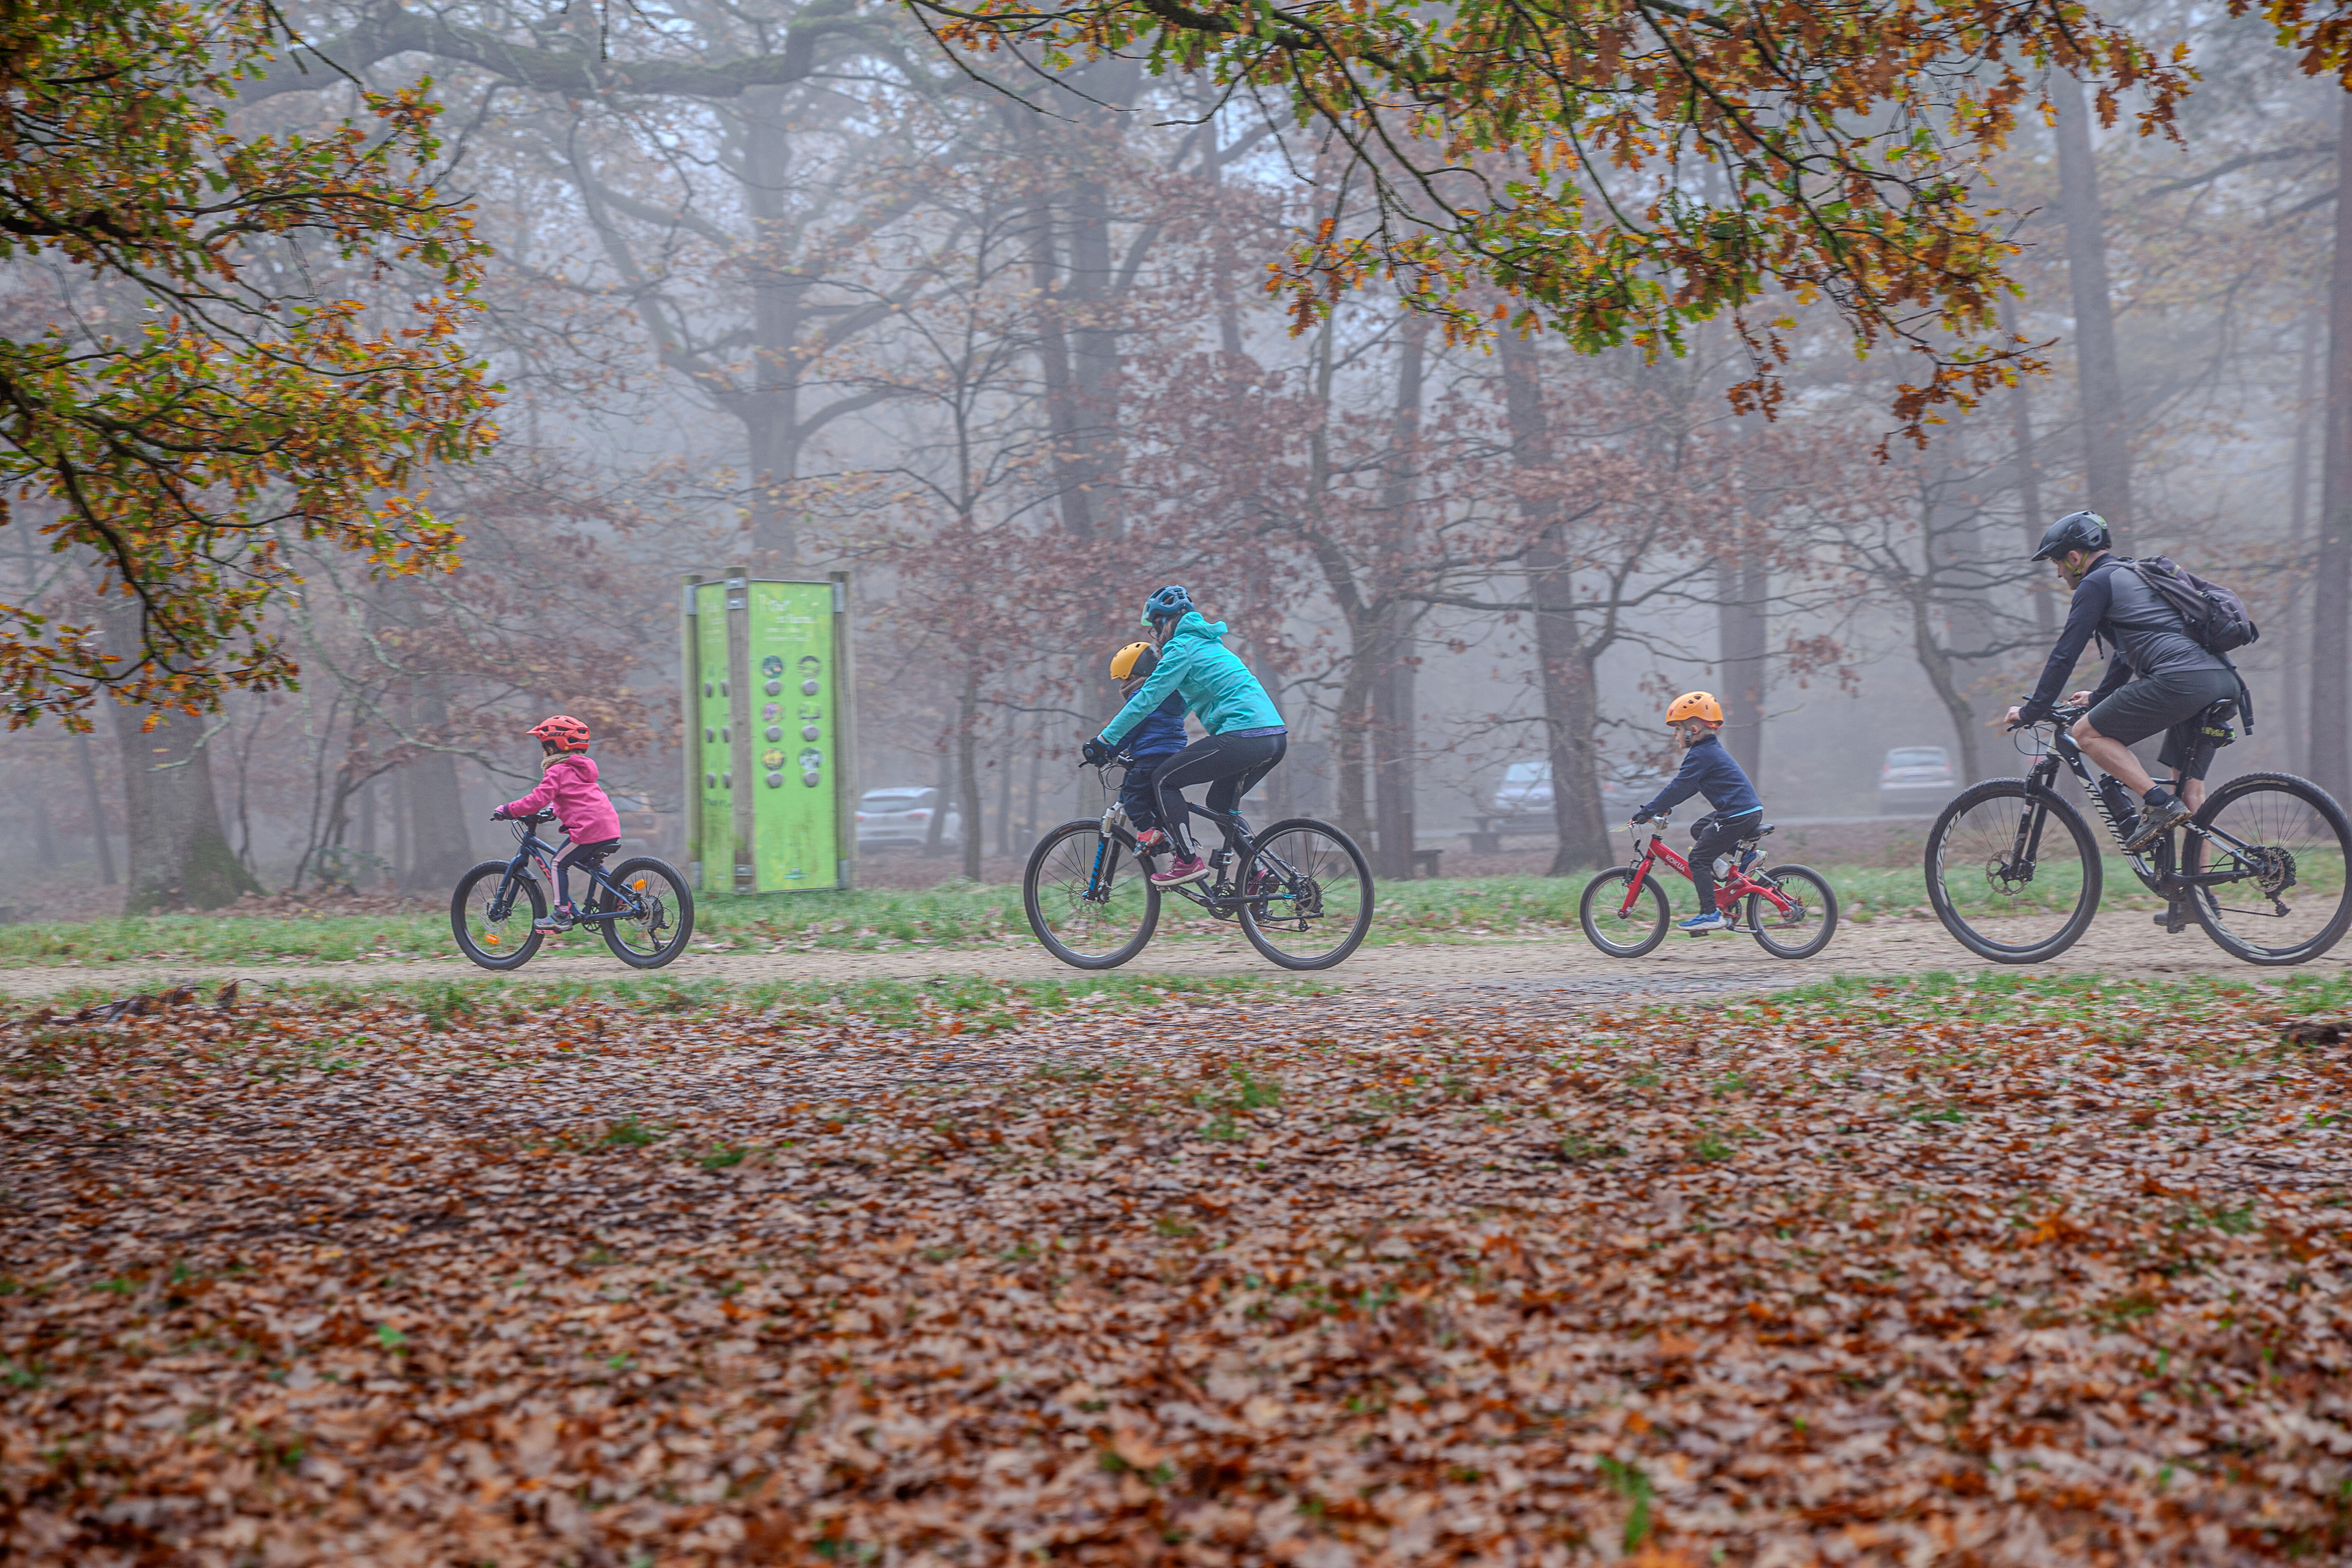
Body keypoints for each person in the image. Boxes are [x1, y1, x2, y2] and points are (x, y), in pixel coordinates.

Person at [2004, 511, 2242, 852]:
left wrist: (2033, 710)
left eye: (2057, 563)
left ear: (2075, 557)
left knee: (2086, 733)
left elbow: (2065, 654)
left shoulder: (2095, 584)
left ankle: (2158, 803)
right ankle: (2196, 887)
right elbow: (2124, 655)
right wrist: (2099, 697)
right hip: (2223, 680)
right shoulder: (2134, 575)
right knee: (2190, 793)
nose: (2058, 573)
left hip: (2181, 681)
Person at [1083, 586, 1286, 888]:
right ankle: (1257, 873)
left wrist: (1105, 741)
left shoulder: (1182, 648)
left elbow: (1146, 700)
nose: (1156, 637)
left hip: (1244, 734)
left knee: (1164, 780)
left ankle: (1187, 861)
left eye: (1155, 628)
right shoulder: (1211, 646)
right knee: (1219, 804)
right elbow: (1174, 704)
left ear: (1166, 621)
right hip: (1274, 737)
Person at [1631, 691, 1763, 933]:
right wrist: (1667, 806)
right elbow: (1690, 787)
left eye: (1677, 729)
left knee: (1698, 859)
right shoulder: (1709, 751)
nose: (1674, 735)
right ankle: (1737, 862)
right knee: (1699, 829)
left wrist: (1650, 810)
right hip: (1745, 811)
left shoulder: (1701, 755)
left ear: (1693, 729)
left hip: (1736, 815)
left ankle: (1710, 914)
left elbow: (1679, 786)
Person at [492, 714, 623, 933]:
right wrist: (553, 810)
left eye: (544, 747)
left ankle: (561, 915)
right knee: (590, 863)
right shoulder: (580, 769)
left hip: (588, 830)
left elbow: (536, 800)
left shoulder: (557, 770)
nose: (543, 752)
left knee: (558, 863)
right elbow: (576, 798)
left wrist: (508, 810)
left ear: (553, 747)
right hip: (608, 827)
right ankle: (620, 894)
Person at [1108, 639, 1189, 858]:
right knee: (1154, 801)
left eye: (1123, 679)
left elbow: (1129, 728)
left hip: (1151, 757)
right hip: (1171, 754)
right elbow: (1155, 728)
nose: (1122, 686)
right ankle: (1168, 837)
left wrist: (1110, 749)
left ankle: (1147, 832)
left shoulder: (1142, 697)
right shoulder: (1169, 696)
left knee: (1132, 795)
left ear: (1133, 677)